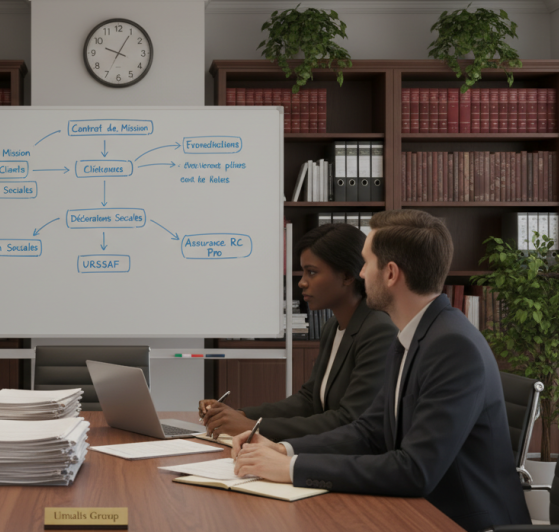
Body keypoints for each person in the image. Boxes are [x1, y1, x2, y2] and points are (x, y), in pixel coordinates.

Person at [231, 210, 531, 532]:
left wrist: (291, 468)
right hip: (419, 511)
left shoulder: (452, 347)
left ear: (390, 273)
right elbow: (368, 431)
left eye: (365, 263)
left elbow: (415, 470)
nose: (360, 273)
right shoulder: (415, 334)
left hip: (461, 522)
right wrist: (282, 449)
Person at [198, 223, 396, 441]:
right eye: (303, 272)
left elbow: (349, 421)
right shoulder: (333, 326)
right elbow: (309, 400)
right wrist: (241, 415)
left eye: (312, 272)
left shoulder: (379, 331)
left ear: (348, 276)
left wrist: (253, 426)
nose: (302, 282)